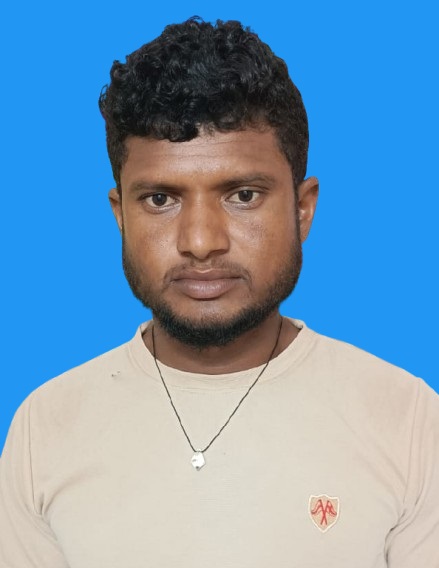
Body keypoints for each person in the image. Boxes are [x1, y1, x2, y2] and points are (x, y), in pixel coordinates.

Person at [0, 17, 438, 568]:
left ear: (303, 209)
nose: (201, 242)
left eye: (243, 195)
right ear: (120, 215)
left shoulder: (407, 419)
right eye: (161, 199)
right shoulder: (45, 426)